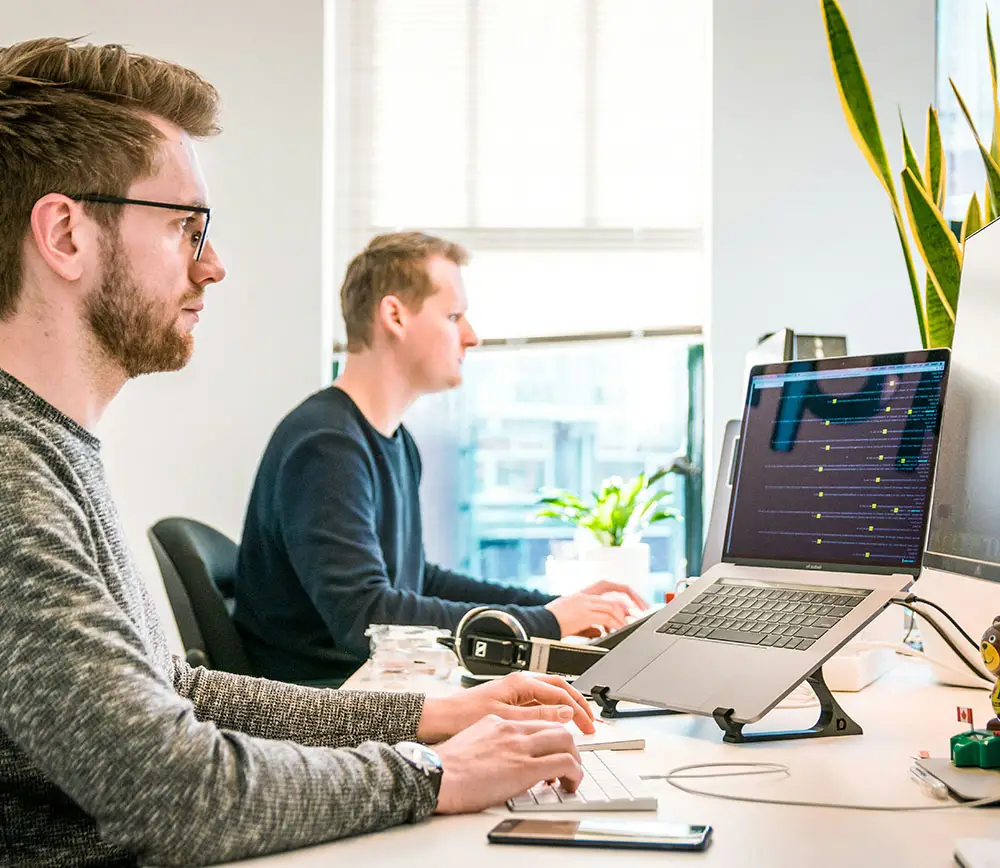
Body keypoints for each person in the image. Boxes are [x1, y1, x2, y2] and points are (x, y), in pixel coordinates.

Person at [0, 37, 597, 868]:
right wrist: (429, 774)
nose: (214, 265)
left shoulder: (51, 449)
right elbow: (173, 790)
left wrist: (430, 719)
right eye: (185, 227)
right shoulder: (12, 478)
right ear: (66, 233)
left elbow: (177, 691)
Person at [234, 231, 648, 684]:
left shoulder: (392, 441)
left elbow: (418, 582)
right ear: (394, 315)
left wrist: (550, 606)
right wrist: (546, 623)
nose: (472, 337)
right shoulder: (326, 446)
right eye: (454, 316)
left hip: (372, 687)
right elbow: (366, 619)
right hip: (327, 704)